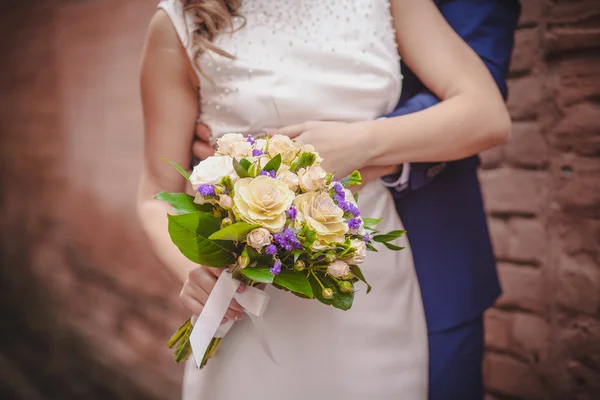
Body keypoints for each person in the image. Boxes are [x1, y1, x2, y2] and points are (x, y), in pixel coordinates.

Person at [137, 0, 513, 399]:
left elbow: (486, 114)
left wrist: (363, 144)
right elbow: (154, 193)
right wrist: (194, 271)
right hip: (249, 289)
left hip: (372, 284)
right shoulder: (179, 20)